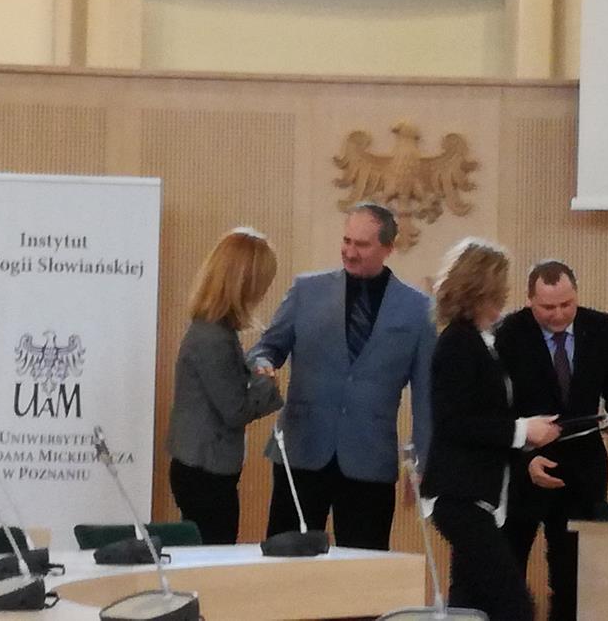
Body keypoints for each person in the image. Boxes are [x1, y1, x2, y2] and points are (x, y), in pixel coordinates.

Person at [249, 202, 435, 550]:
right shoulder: (306, 290)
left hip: (369, 460)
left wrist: (422, 461)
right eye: (346, 241)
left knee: (365, 567)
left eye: (361, 245)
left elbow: (427, 395)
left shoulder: (419, 309)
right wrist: (262, 364)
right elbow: (267, 347)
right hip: (302, 450)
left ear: (388, 248)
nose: (349, 252)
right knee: (286, 560)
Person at [421, 238, 560, 621]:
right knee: (514, 605)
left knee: (469, 604)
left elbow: (486, 414)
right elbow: (455, 422)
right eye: (498, 287)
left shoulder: (482, 342)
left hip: (480, 494)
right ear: (480, 290)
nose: (504, 295)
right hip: (459, 495)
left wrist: (529, 436)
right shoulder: (458, 344)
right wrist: (522, 431)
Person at [495, 259, 608, 621]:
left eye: (566, 304)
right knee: (507, 573)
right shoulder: (508, 333)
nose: (558, 315)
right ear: (529, 300)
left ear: (576, 296)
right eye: (547, 307)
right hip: (523, 467)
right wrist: (525, 460)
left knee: (573, 579)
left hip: (582, 470)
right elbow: (496, 410)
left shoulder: (601, 327)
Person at [166, 227, 284, 545]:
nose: (263, 293)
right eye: (262, 284)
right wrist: (264, 381)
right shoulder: (213, 338)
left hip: (202, 465)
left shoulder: (214, 329)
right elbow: (234, 411)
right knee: (215, 554)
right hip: (205, 469)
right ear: (244, 284)